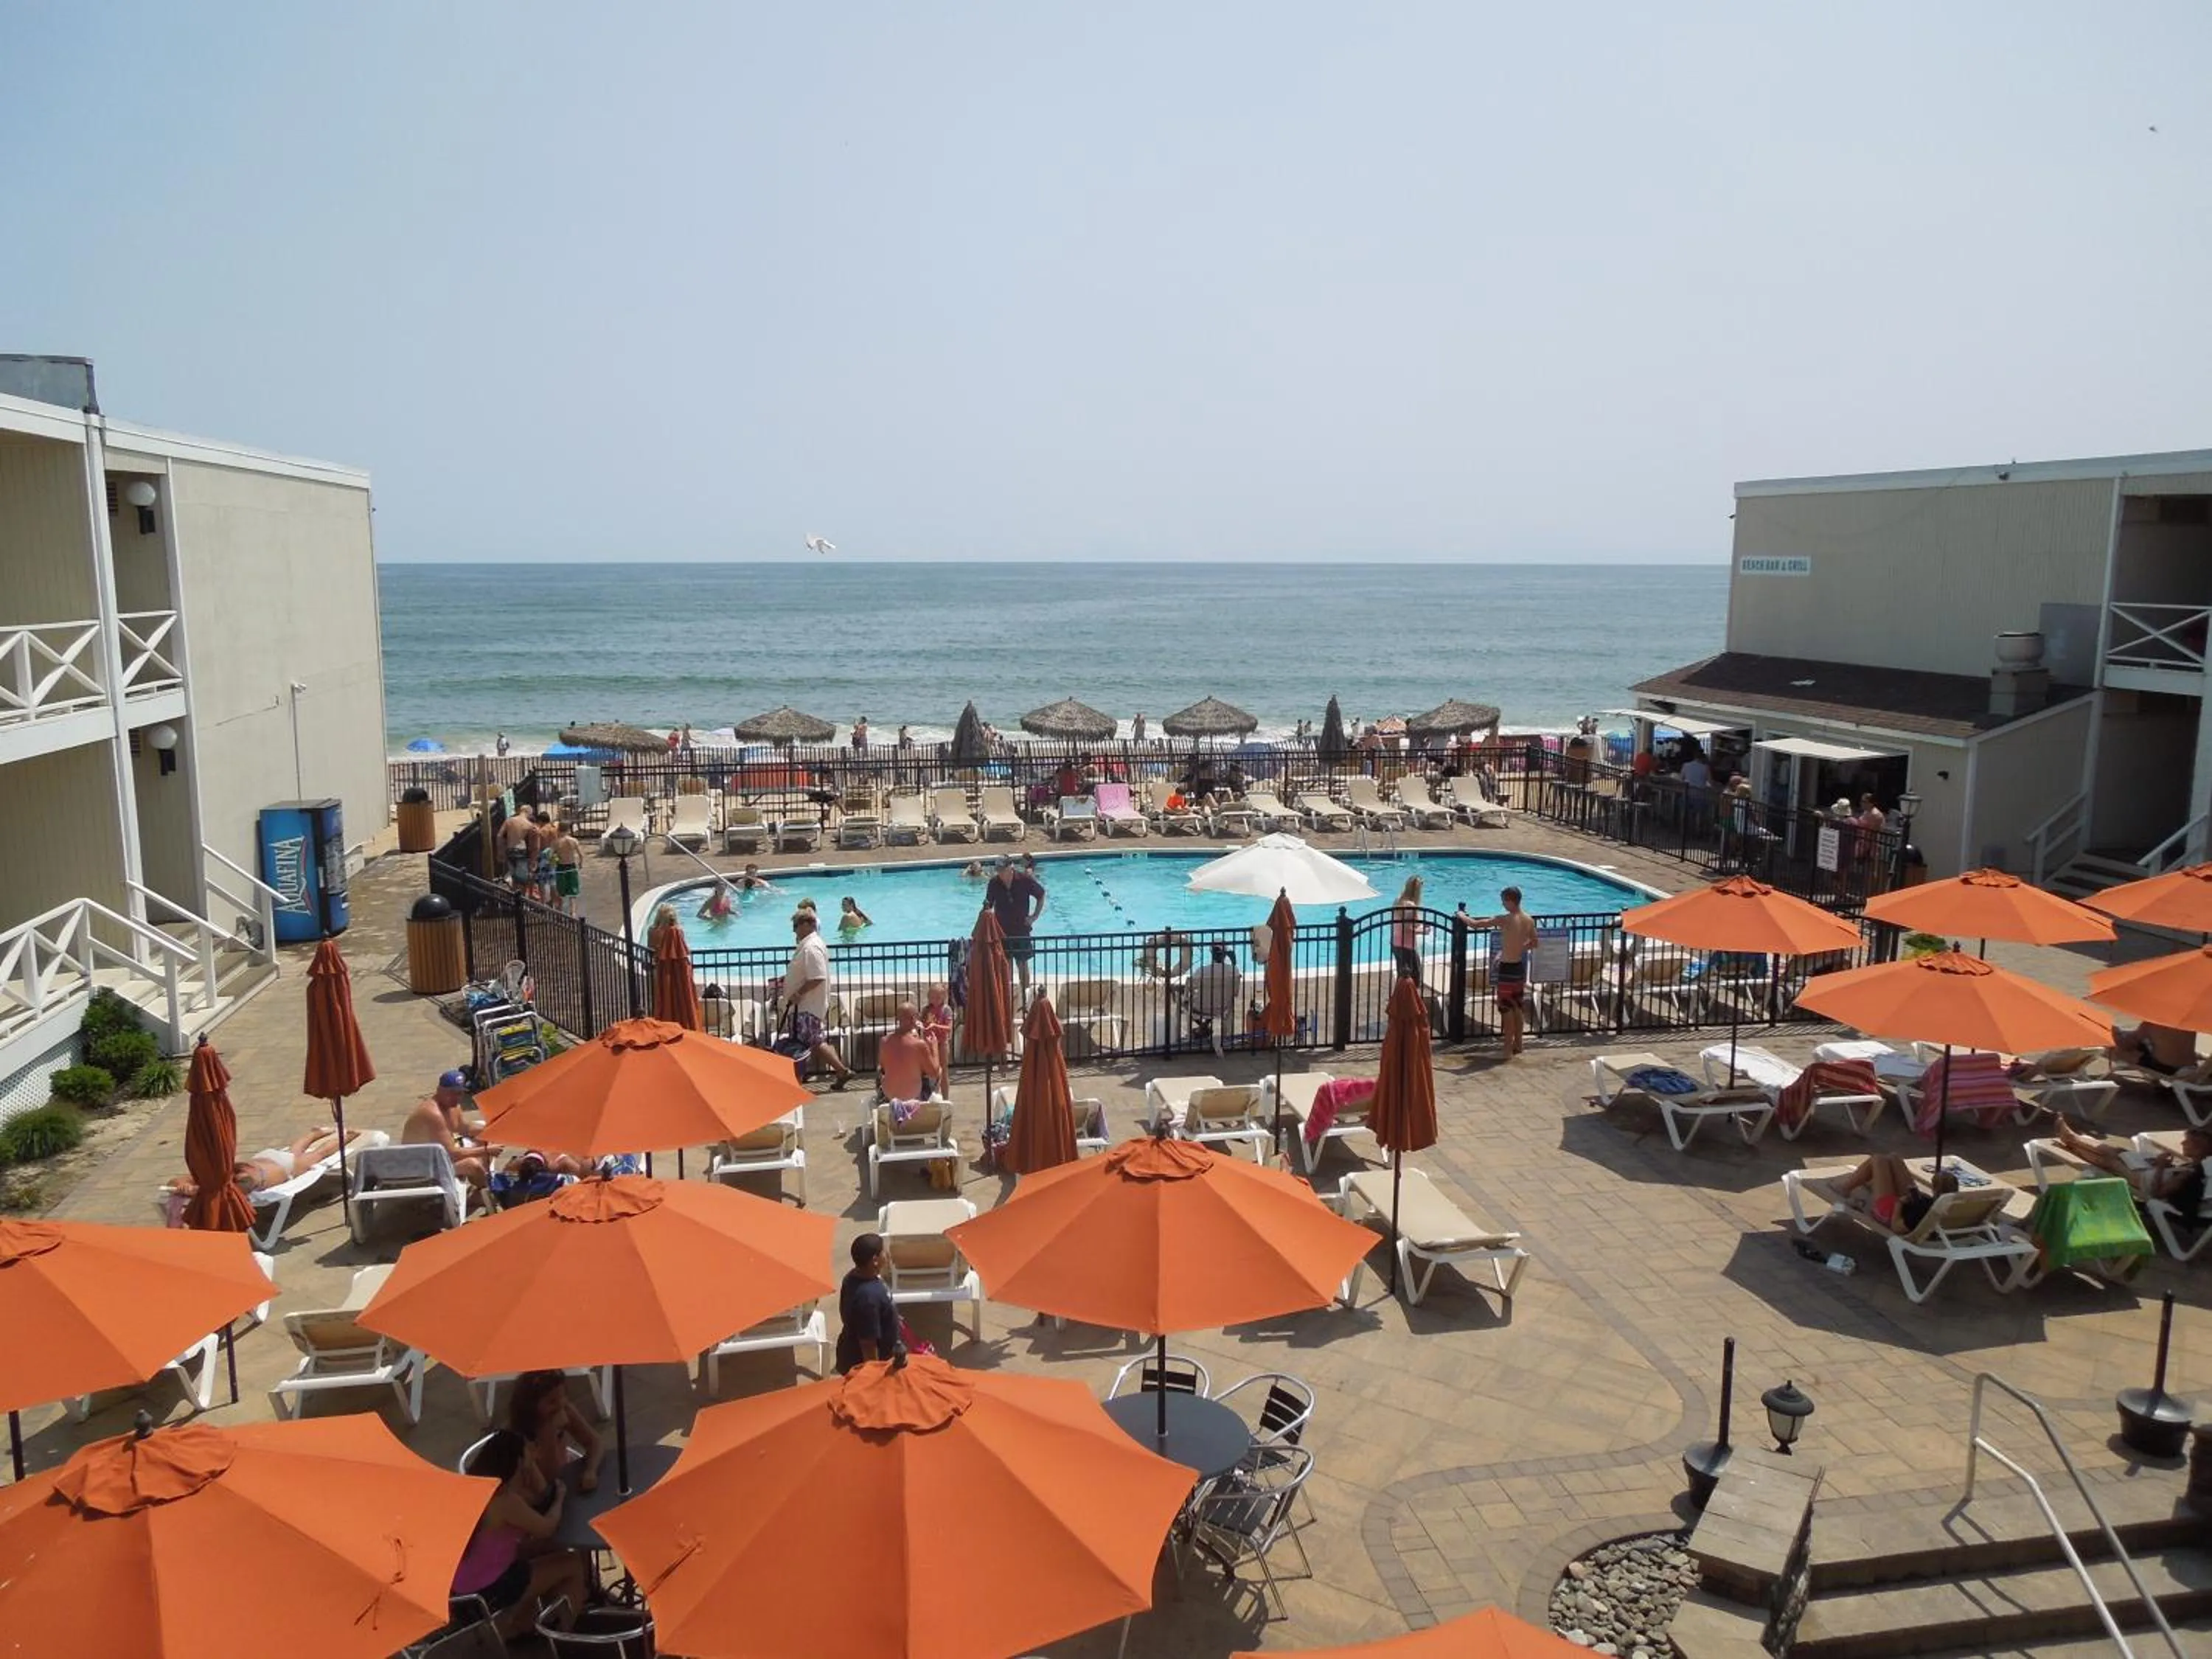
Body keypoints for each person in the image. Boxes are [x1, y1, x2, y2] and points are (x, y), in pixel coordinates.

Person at [450, 1430, 588, 1635]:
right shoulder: (505, 1500)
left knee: (545, 1552)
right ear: (517, 1461)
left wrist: (530, 1466)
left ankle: (528, 1625)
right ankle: (560, 1635)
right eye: (528, 1453)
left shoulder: (477, 1490)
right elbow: (546, 1527)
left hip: (461, 1595)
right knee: (573, 1564)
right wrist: (560, 1496)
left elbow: (539, 1499)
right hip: (492, 1591)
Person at [2045, 1120, 2211, 1214]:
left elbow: (2157, 1194)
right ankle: (2073, 1140)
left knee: (2111, 1162)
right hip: (2148, 1175)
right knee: (2119, 1152)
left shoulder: (2190, 1174)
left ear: (2198, 1148)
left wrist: (2161, 1167)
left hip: (2144, 1183)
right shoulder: (2196, 1165)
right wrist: (2167, 1167)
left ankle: (2072, 1141)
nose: (2182, 1143)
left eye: (2187, 1142)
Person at [780, 909, 853, 1087]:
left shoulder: (811, 947)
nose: (794, 931)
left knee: (813, 1041)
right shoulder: (809, 945)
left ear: (806, 924)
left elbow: (817, 977)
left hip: (806, 1006)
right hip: (805, 1006)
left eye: (796, 926)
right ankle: (833, 1071)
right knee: (809, 1041)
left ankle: (841, 1070)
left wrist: (798, 993)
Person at [507, 1370, 605, 1498]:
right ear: (531, 1406)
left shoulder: (564, 1410)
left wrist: (591, 1470)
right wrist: (550, 1431)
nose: (560, 1404)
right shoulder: (520, 1438)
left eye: (562, 1396)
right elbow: (550, 1476)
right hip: (536, 1497)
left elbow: (595, 1442)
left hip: (564, 1483)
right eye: (552, 1402)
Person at [1467, 886, 1537, 1058]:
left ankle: (1507, 1050)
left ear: (1510, 900)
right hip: (1519, 968)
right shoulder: (1529, 920)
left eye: (1504, 900)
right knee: (1517, 1007)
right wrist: (1519, 948)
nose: (1502, 904)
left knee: (1506, 1009)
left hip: (1507, 970)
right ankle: (1518, 1044)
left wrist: (1462, 916)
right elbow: (1534, 943)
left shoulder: (1505, 919)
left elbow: (1476, 925)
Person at [403, 1070, 501, 1186]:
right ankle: (486, 1188)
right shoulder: (433, 1114)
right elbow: (452, 1154)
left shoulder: (453, 1106)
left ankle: (483, 1183)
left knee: (485, 1133)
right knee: (471, 1165)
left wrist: (494, 1130)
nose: (456, 1098)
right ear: (439, 1090)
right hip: (422, 1166)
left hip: (439, 1157)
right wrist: (486, 1151)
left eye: (460, 1093)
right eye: (451, 1093)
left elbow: (462, 1128)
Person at [1828, 1154, 1956, 1234]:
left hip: (1889, 1213)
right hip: (1915, 1206)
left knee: (1878, 1160)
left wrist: (1900, 1203)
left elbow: (1896, 1227)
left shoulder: (1923, 1210)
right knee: (1894, 1159)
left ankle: (1845, 1188)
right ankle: (1872, 1182)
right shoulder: (1953, 1203)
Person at [835, 1233, 901, 1373]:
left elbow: (845, 1314)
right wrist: (874, 1377)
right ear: (875, 1260)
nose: (887, 1254)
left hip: (848, 1351)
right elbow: (868, 1345)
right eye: (884, 1251)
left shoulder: (852, 1276)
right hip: (863, 1366)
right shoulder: (868, 1298)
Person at [985, 855, 1047, 998]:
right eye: (998, 870)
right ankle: (1005, 997)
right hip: (1002, 931)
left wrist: (1034, 917)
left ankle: (1026, 997)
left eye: (1003, 870)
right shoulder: (994, 883)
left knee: (1022, 964)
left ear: (1011, 868)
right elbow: (988, 905)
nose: (1000, 874)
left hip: (1021, 929)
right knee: (1004, 965)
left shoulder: (1024, 880)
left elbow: (1041, 894)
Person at [878, 1001, 938, 1102]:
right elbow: (934, 1072)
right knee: (939, 1071)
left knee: (880, 1072)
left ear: (897, 1019)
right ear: (913, 1019)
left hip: (889, 1096)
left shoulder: (884, 1042)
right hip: (914, 1096)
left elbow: (883, 1067)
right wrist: (934, 1047)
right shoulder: (919, 1044)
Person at [2114, 1020, 2199, 1076]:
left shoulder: (2152, 1023)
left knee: (2121, 1049)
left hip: (2166, 1068)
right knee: (2145, 1046)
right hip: (2190, 1066)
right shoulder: (2188, 1024)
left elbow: (2128, 1045)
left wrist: (2115, 1034)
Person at [1390, 875, 1427, 984]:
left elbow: (1402, 924)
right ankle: (1407, 1001)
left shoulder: (1398, 901)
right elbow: (1408, 928)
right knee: (1414, 979)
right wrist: (1423, 931)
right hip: (1407, 946)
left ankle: (1399, 1000)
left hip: (1396, 943)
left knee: (1402, 977)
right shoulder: (1410, 905)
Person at [919, 983, 955, 1095]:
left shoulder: (946, 1010)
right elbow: (922, 1023)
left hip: (941, 1043)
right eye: (933, 998)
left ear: (944, 997)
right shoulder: (926, 1010)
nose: (935, 1000)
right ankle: (932, 1095)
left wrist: (935, 1026)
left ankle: (945, 1098)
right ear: (929, 997)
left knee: (943, 1071)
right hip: (928, 1044)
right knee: (930, 1072)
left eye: (938, 998)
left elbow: (949, 1028)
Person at [497, 806, 534, 891]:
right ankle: (522, 902)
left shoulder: (509, 821)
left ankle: (514, 901)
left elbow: (499, 836)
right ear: (528, 812)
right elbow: (533, 843)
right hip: (521, 852)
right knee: (523, 880)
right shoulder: (529, 824)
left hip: (510, 851)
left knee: (514, 878)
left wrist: (500, 852)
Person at [551, 821, 582, 915]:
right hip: (572, 867)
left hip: (560, 868)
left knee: (560, 891)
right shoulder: (574, 841)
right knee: (573, 892)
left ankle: (559, 911)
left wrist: (554, 862)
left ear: (559, 830)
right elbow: (581, 855)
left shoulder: (555, 842)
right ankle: (573, 912)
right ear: (568, 830)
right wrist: (581, 864)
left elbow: (551, 856)